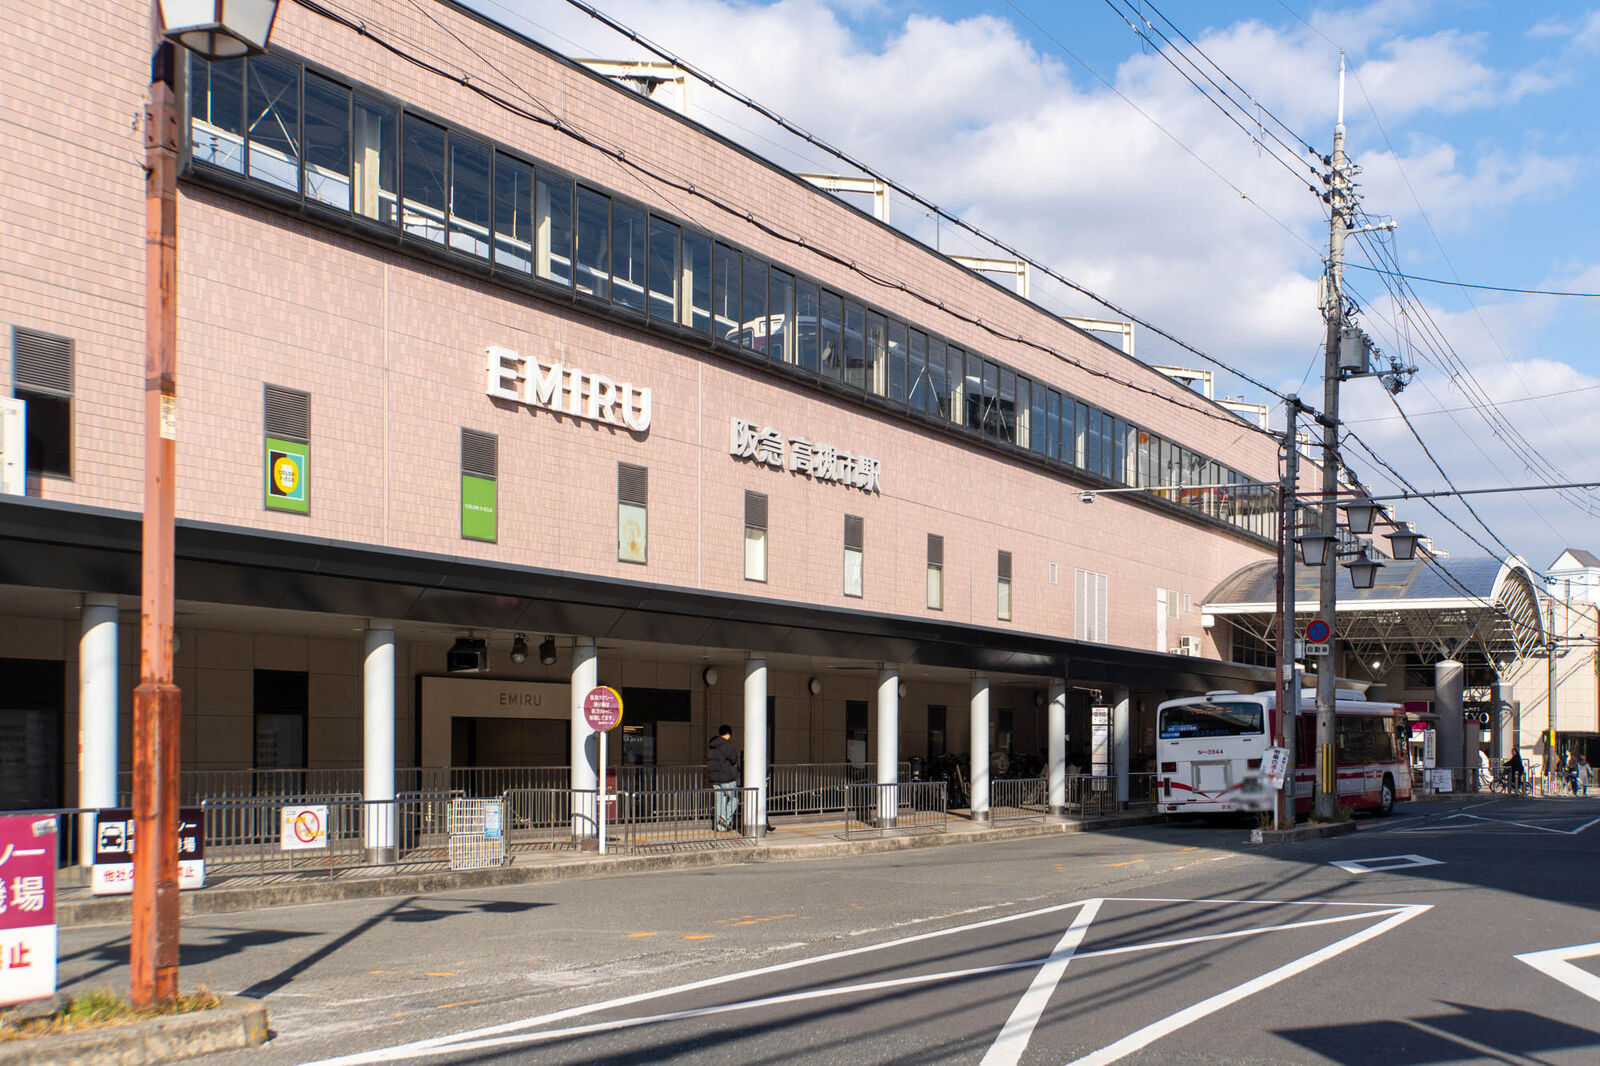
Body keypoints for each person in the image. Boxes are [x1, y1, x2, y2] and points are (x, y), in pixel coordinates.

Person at [706, 724, 741, 831]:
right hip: (726, 777)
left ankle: (720, 827)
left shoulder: (712, 745)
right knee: (735, 797)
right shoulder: (727, 745)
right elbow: (734, 759)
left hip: (714, 778)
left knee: (720, 801)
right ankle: (725, 819)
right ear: (729, 733)